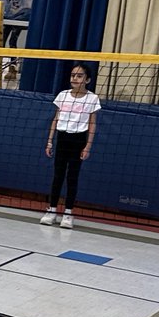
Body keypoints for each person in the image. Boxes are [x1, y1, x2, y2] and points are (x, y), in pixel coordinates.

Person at [41, 62, 100, 228]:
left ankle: (68, 213)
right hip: (62, 139)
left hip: (78, 140)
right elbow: (56, 118)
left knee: (72, 178)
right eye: (73, 75)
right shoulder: (63, 95)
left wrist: (87, 146)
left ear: (87, 80)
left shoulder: (92, 99)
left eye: (79, 76)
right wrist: (50, 140)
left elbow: (93, 124)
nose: (75, 78)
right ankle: (51, 210)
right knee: (57, 176)